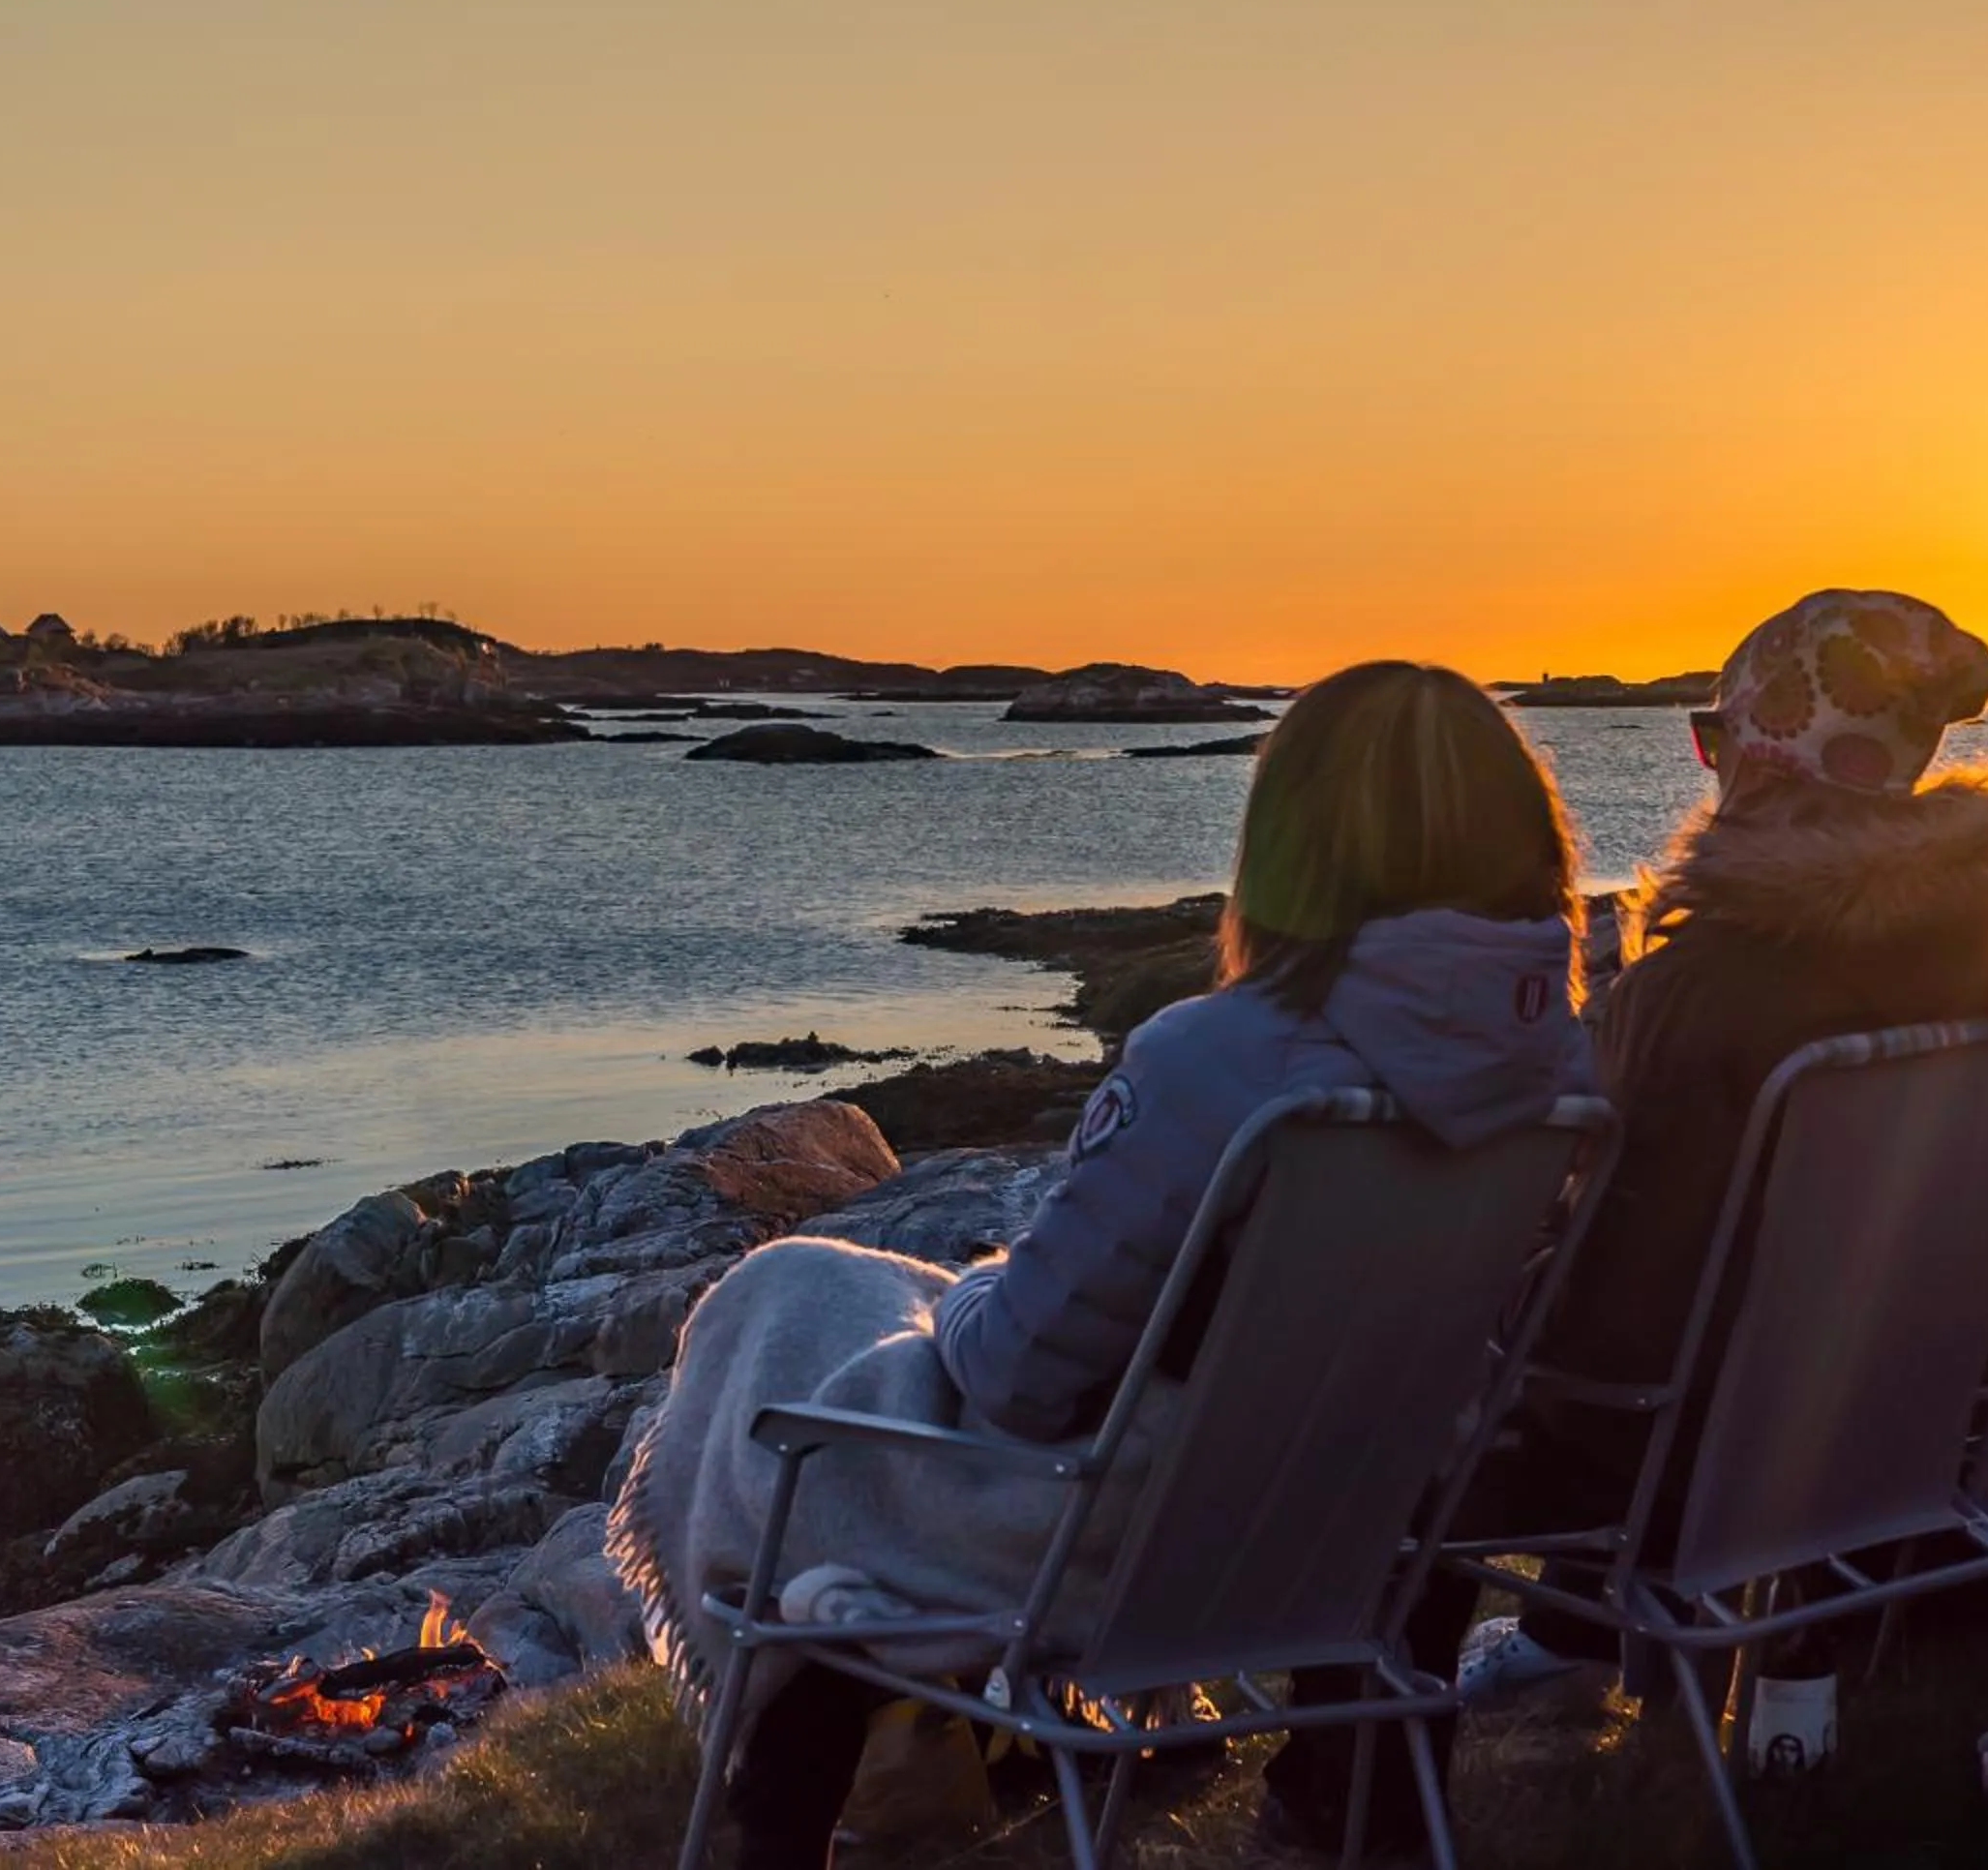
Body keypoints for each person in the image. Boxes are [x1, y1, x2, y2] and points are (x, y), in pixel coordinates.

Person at [612, 659, 1594, 1870]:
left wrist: (975, 1288)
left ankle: (770, 1817)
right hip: (1370, 1509)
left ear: (1296, 845)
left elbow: (1025, 1379)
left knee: (789, 1336)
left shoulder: (1214, 1062)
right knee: (833, 1305)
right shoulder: (1564, 1075)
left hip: (1133, 1541)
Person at [1454, 588, 1988, 1706]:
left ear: (1761, 759)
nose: (1709, 766)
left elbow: (1609, 1314)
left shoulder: (1699, 991)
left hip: (1699, 1452)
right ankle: (1593, 1644)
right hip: (1914, 1408)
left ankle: (1361, 1780)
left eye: (1715, 737)